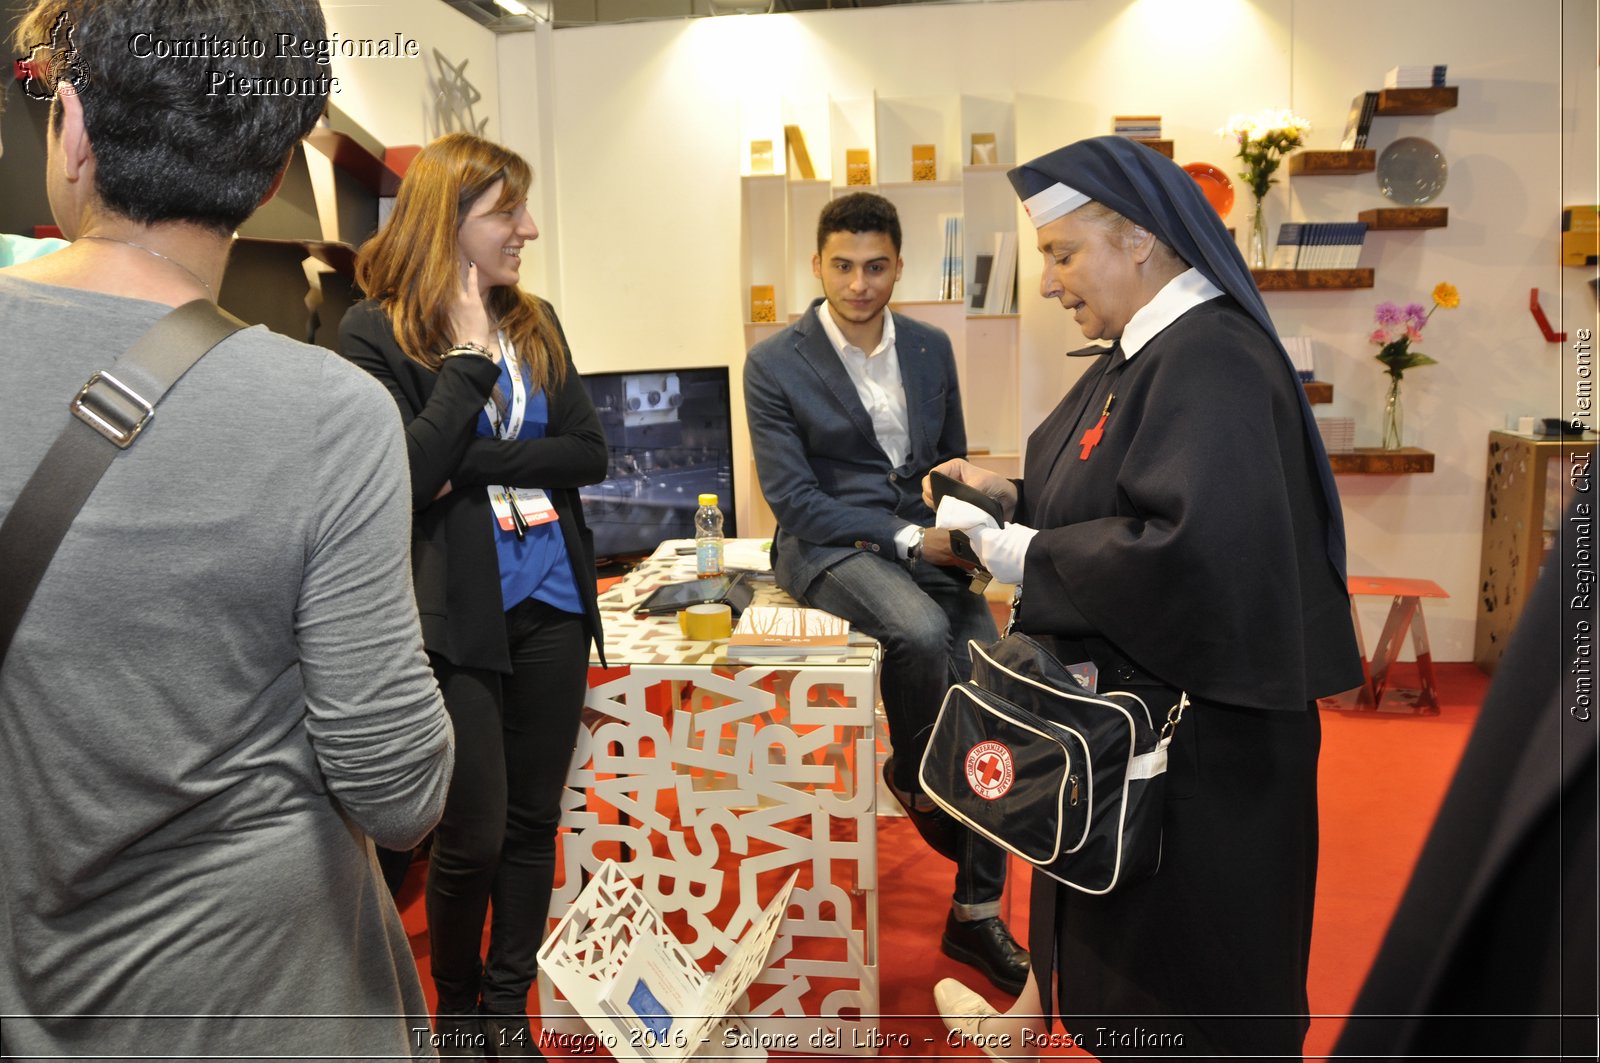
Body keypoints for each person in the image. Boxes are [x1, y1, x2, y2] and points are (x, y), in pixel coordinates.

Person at [0, 1, 454, 1060]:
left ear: (69, 127)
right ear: (269, 173)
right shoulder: (329, 414)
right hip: (274, 997)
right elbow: (398, 791)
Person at [928, 136, 1363, 1061]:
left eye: (1060, 253)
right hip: (1146, 721)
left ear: (1138, 238)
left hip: (1208, 751)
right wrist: (1006, 495)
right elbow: (1111, 490)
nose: (1048, 282)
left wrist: (1023, 551)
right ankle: (1030, 1019)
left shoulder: (1211, 361)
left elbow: (1190, 553)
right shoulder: (1147, 354)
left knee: (1187, 990)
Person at [340, 131, 608, 1058]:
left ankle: (508, 1011)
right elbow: (406, 476)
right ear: (451, 221)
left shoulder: (535, 320)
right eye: (508, 213)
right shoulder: (372, 331)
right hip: (453, 616)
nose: (527, 229)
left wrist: (474, 459)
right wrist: (462, 365)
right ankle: (456, 1018)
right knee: (474, 834)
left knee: (536, 825)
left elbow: (588, 453)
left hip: (555, 605)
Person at [745, 191, 1028, 995]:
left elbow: (946, 460)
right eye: (843, 265)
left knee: (993, 682)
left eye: (875, 266)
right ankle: (914, 769)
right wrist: (910, 539)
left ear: (899, 265)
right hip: (828, 544)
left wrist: (972, 519)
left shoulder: (934, 348)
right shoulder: (773, 362)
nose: (859, 283)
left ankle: (976, 914)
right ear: (817, 265)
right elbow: (793, 499)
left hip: (929, 537)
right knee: (915, 630)